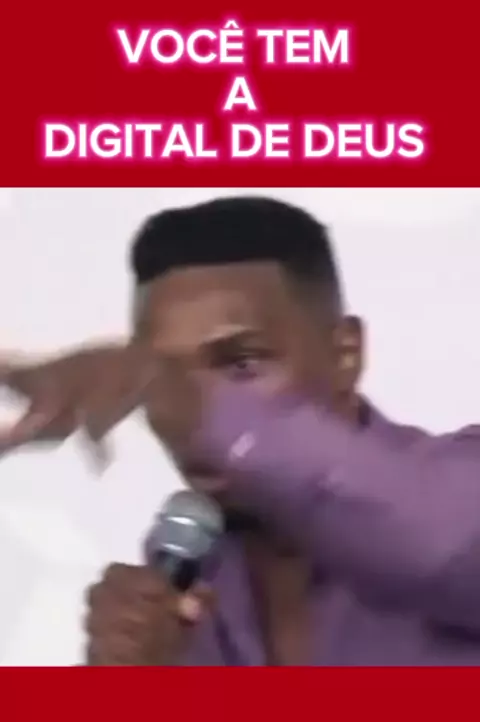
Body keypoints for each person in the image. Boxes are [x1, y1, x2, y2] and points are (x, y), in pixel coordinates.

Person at [2, 195, 480, 665]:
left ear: (344, 354)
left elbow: (443, 545)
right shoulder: (183, 586)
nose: (179, 411)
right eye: (162, 377)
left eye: (241, 364)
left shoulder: (456, 497)